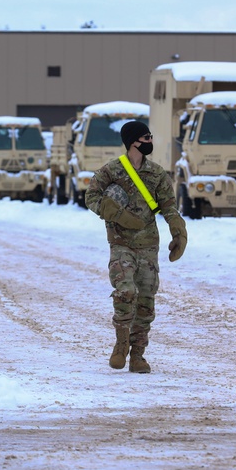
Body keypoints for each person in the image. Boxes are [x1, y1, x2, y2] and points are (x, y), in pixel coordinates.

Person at [84, 120, 187, 374]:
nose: (150, 141)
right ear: (133, 142)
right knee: (125, 289)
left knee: (146, 299)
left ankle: (138, 354)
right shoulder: (112, 170)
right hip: (121, 243)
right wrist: (117, 214)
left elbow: (168, 206)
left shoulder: (157, 173)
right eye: (146, 138)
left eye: (150, 137)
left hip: (148, 244)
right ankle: (121, 345)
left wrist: (178, 230)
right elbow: (91, 197)